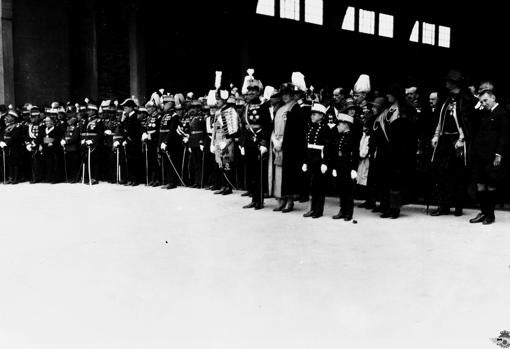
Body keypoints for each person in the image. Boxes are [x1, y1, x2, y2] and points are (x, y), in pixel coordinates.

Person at [431, 70, 476, 216]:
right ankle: (443, 205)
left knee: (458, 175)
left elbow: (467, 122)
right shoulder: (445, 99)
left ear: (454, 83)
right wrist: (436, 135)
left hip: (458, 141)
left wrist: (462, 139)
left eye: (448, 81)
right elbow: (440, 119)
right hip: (444, 140)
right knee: (442, 174)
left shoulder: (465, 100)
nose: (446, 83)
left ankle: (458, 206)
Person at [373, 85, 417, 219]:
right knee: (385, 180)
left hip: (399, 151)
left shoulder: (405, 110)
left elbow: (409, 134)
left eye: (390, 94)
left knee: (395, 181)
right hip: (386, 151)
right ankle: (386, 207)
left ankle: (395, 208)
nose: (387, 96)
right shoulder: (387, 110)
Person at [469, 89, 510, 224]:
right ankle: (483, 212)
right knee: (480, 185)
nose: (484, 103)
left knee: (490, 186)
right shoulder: (483, 113)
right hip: (480, 155)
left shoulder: (501, 113)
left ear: (493, 98)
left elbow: (504, 136)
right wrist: (477, 105)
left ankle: (490, 215)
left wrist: (499, 154)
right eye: (481, 101)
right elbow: (472, 119)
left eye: (486, 100)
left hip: (492, 156)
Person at [268, 83, 306, 213]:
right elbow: (274, 127)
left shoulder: (296, 109)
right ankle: (281, 199)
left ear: (293, 95)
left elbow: (296, 131)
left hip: (290, 146)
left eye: (287, 94)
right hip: (278, 145)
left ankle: (290, 201)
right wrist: (274, 140)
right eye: (283, 94)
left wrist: (283, 142)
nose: (285, 97)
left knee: (289, 175)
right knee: (278, 173)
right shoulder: (279, 109)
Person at [241, 80, 272, 209]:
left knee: (259, 172)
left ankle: (259, 200)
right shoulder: (246, 106)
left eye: (254, 90)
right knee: (251, 172)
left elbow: (267, 125)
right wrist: (242, 143)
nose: (251, 92)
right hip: (248, 141)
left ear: (258, 91)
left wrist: (264, 142)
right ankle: (253, 198)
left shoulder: (264, 105)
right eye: (249, 90)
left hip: (259, 141)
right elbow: (243, 126)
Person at [301, 103, 330, 218]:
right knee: (312, 186)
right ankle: (313, 209)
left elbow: (327, 147)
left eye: (315, 114)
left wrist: (325, 162)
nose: (312, 116)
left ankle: (319, 210)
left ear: (322, 116)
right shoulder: (310, 127)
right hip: (311, 158)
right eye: (312, 114)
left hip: (320, 159)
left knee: (319, 186)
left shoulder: (325, 128)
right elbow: (307, 146)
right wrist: (305, 161)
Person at [211, 91, 240, 195]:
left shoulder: (230, 111)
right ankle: (223, 185)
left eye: (219, 99)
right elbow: (214, 129)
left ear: (224, 99)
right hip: (218, 140)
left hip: (226, 141)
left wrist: (227, 142)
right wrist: (213, 143)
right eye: (216, 99)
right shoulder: (217, 112)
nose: (217, 101)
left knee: (227, 164)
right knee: (220, 164)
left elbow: (233, 130)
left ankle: (228, 186)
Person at [330, 113, 359, 221]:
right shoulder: (340, 136)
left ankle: (348, 213)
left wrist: (354, 169)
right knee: (341, 190)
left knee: (348, 191)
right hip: (339, 166)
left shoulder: (352, 137)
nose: (338, 126)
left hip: (348, 167)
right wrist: (334, 167)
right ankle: (342, 210)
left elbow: (355, 154)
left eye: (340, 124)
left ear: (346, 125)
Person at [120, 98, 142, 186]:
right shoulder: (127, 117)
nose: (124, 109)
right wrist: (122, 120)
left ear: (131, 108)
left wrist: (129, 140)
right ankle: (130, 179)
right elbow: (123, 130)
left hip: (134, 143)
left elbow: (136, 131)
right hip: (128, 142)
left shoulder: (135, 116)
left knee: (134, 161)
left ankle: (135, 180)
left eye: (125, 107)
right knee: (129, 161)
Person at [0, 110, 24, 184]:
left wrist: (6, 142)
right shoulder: (7, 126)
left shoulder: (17, 126)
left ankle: (15, 178)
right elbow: (2, 134)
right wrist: (1, 141)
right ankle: (10, 177)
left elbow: (15, 137)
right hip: (7, 147)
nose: (7, 117)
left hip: (15, 147)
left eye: (9, 116)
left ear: (13, 118)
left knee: (15, 163)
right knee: (9, 162)